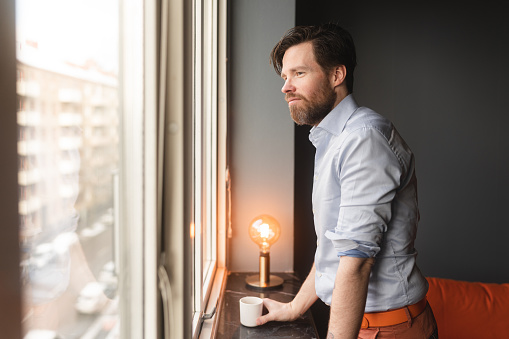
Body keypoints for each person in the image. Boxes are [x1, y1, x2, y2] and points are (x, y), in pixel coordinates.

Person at [256, 23, 438, 339]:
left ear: (336, 76)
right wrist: (294, 308)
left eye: (299, 73)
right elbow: (333, 246)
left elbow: (356, 261)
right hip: (371, 324)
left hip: (388, 329)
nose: (286, 87)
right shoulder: (334, 138)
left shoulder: (362, 139)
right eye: (285, 77)